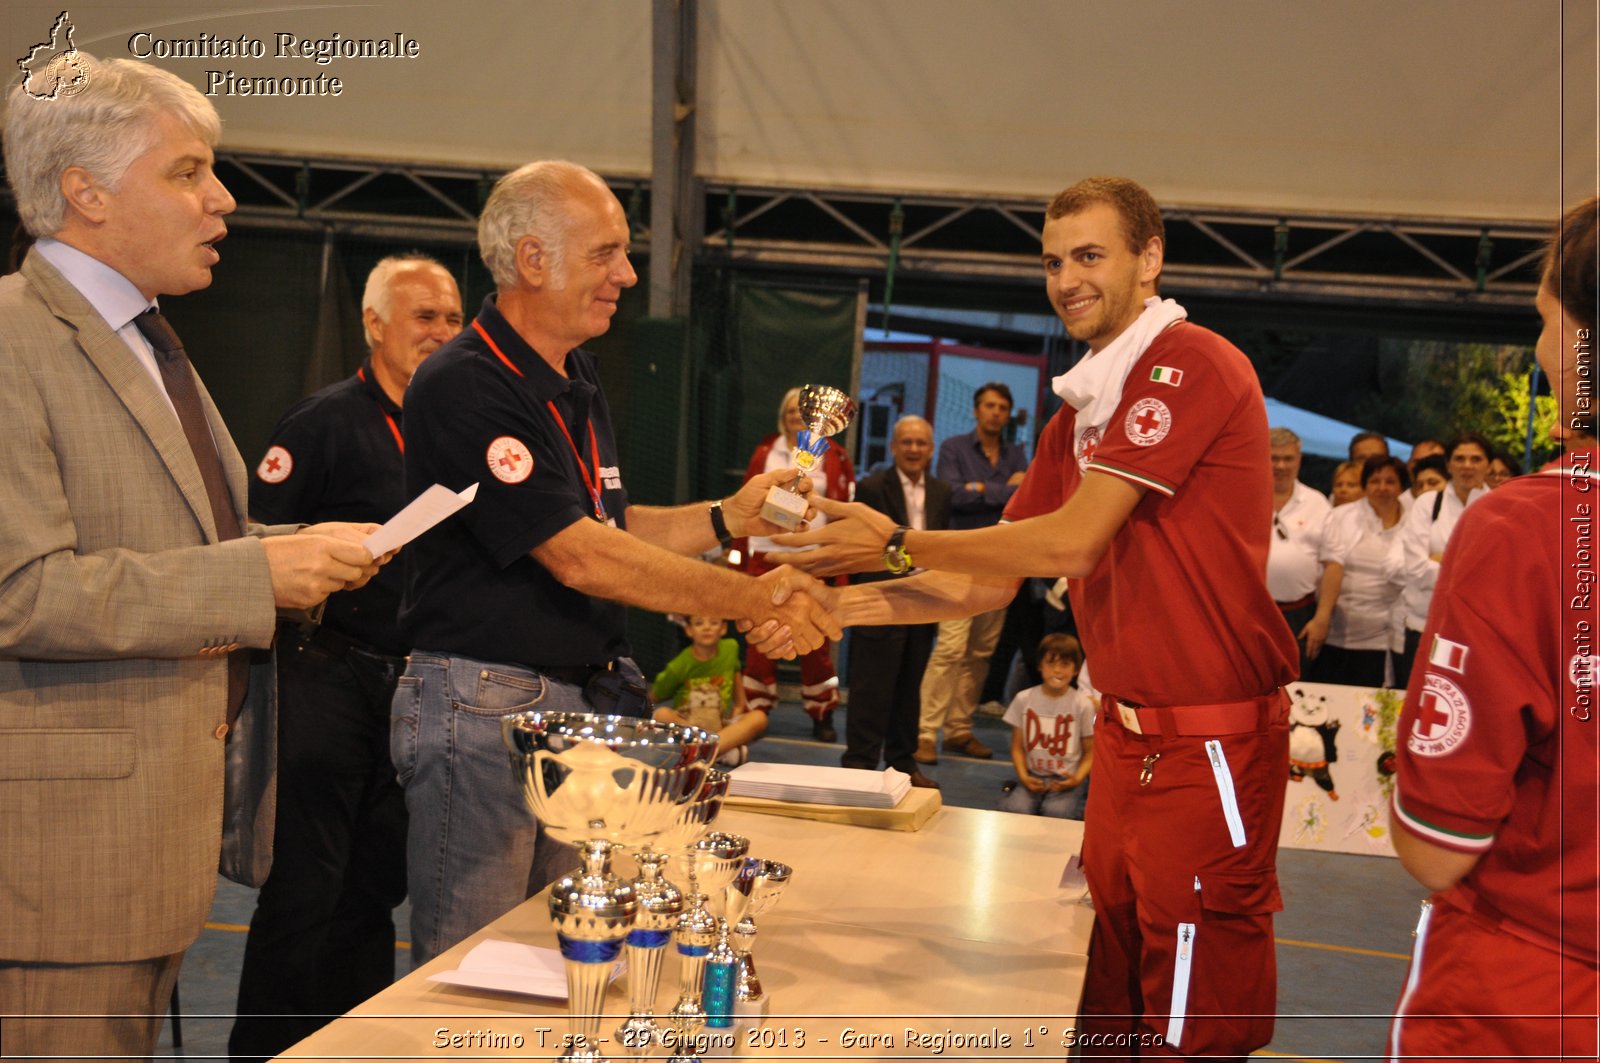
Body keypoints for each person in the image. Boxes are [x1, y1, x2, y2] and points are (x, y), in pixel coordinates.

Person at [769, 175, 1297, 1058]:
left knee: (1187, 1021)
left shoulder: (1190, 364)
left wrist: (900, 539)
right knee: (1108, 994)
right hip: (1127, 743)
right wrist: (835, 605)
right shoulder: (1081, 413)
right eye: (1053, 261)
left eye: (1090, 256)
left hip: (1211, 747)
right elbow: (988, 580)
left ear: (1150, 259)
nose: (1066, 279)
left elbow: (1073, 542)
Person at [0, 55, 381, 1058]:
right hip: (60, 872)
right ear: (84, 191)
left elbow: (160, 546)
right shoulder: (12, 340)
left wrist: (289, 551)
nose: (222, 200)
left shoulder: (145, 338)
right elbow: (21, 592)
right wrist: (256, 578)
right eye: (186, 173)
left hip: (142, 855)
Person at [393, 159, 838, 967]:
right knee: (473, 967)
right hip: (485, 702)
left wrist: (722, 516)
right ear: (534, 260)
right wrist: (753, 595)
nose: (626, 275)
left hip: (562, 707)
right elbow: (581, 557)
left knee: (559, 956)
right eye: (606, 254)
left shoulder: (574, 373)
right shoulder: (465, 381)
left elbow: (611, 527)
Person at [228, 256, 463, 1061]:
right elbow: (251, 548)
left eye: (451, 318)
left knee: (374, 892)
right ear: (373, 324)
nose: (441, 331)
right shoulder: (322, 422)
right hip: (324, 674)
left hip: (421, 686)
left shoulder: (461, 433)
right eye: (423, 315)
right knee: (307, 887)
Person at [1387, 196, 1597, 1061]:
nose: (1540, 348)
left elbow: (1439, 848)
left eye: (1545, 319)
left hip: (1528, 995)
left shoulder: (1527, 527)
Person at [915, 382, 1029, 763]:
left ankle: (960, 729)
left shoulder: (1017, 453)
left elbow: (1023, 499)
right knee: (949, 648)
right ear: (976, 410)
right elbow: (954, 496)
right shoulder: (954, 448)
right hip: (959, 561)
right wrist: (998, 489)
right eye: (990, 405)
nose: (996, 412)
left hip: (1001, 563)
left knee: (981, 652)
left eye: (1002, 407)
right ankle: (926, 731)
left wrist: (982, 488)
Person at [738, 387, 856, 741]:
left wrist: (839, 564)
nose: (794, 416)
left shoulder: (835, 455)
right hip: (764, 555)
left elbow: (842, 512)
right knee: (760, 633)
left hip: (812, 558)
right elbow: (743, 506)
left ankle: (822, 711)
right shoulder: (765, 451)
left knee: (816, 639)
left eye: (800, 411)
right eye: (789, 410)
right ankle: (756, 712)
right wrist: (739, 558)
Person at [841, 415, 947, 787]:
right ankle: (858, 766)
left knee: (909, 689)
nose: (914, 449)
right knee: (871, 688)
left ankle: (903, 765)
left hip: (924, 604)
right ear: (893, 447)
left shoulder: (942, 492)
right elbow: (858, 546)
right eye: (907, 442)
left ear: (931, 449)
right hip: (880, 604)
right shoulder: (871, 487)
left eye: (921, 443)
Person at [1389, 432, 1491, 686]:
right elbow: (1416, 569)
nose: (1467, 466)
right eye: (1459, 458)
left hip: (1478, 630)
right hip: (1424, 624)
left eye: (1476, 459)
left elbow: (1495, 574)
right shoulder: (1428, 503)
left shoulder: (1499, 505)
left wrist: (1440, 559)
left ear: (1488, 465)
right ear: (1448, 464)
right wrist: (1468, 567)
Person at [1299, 456, 1409, 687]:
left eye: (1390, 481)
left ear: (1401, 486)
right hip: (1333, 632)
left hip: (1381, 638)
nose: (1382, 488)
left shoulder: (1413, 522)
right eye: (1375, 481)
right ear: (1365, 485)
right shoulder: (1341, 516)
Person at [999, 633, 1096, 820]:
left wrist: (1077, 779)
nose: (1057, 671)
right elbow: (1017, 748)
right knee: (1016, 810)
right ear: (1040, 666)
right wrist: (1023, 776)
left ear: (1076, 669)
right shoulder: (1024, 699)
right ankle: (1012, 790)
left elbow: (1090, 751)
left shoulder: (1083, 704)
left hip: (1067, 779)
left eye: (1065, 664)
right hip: (1033, 776)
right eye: (1051, 663)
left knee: (1059, 813)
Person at [651, 615, 768, 765]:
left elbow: (739, 703)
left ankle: (703, 750)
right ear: (689, 630)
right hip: (690, 727)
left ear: (724, 628)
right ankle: (720, 750)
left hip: (721, 724)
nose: (707, 628)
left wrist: (733, 722)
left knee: (759, 717)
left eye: (714, 622)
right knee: (661, 714)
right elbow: (654, 696)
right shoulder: (679, 665)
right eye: (699, 623)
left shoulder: (730, 649)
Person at [1267, 426, 1331, 673]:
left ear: (1299, 460)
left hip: (1299, 615)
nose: (1281, 466)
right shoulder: (1243, 495)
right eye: (1274, 458)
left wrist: (1322, 618)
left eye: (1288, 458)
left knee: (1298, 685)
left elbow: (1333, 564)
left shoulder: (1317, 503)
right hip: (1251, 612)